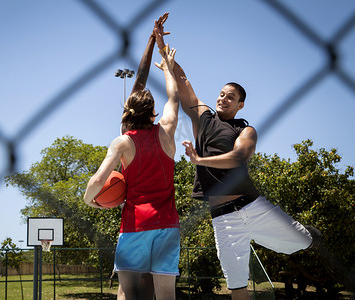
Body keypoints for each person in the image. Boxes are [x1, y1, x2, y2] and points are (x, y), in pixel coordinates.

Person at [153, 37, 329, 298]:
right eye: (222, 94)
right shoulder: (203, 118)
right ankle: (256, 241)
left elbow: (238, 157)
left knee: (301, 241)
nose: (224, 99)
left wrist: (200, 161)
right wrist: (166, 55)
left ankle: (310, 235)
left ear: (240, 105)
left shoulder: (245, 130)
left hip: (253, 207)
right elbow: (184, 82)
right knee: (236, 285)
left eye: (231, 97)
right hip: (223, 220)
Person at [83, 20, 180, 300]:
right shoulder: (167, 131)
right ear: (153, 113)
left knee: (127, 292)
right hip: (167, 224)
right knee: (166, 294)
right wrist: (167, 64)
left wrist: (90, 200)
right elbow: (173, 97)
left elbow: (99, 179)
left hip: (135, 224)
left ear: (128, 113)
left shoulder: (123, 142)